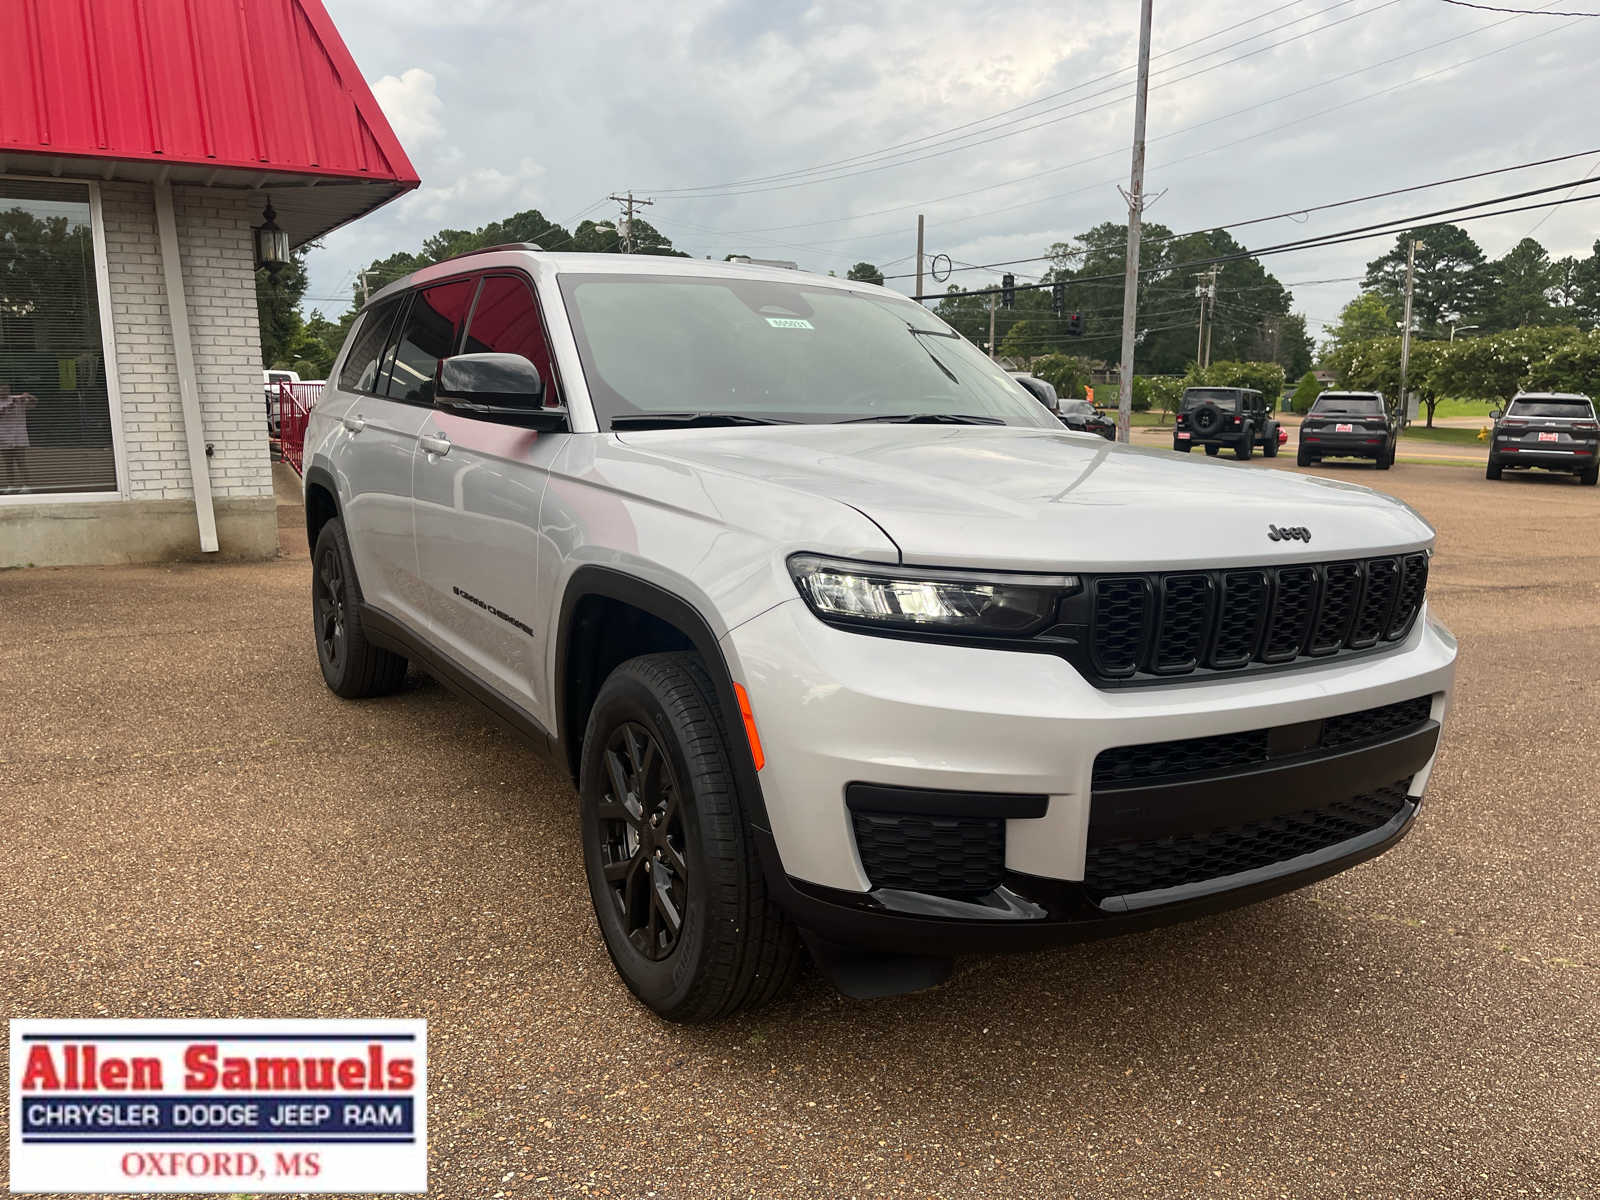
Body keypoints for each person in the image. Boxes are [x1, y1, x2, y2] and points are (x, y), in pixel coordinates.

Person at [0, 382, 40, 492]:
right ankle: (10, 486)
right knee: (8, 463)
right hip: (3, 437)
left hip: (19, 435)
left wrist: (30, 397)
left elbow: (34, 404)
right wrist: (8, 407)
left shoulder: (18, 399)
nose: (4, 391)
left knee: (21, 461)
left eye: (6, 389)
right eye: (2, 389)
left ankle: (26, 486)